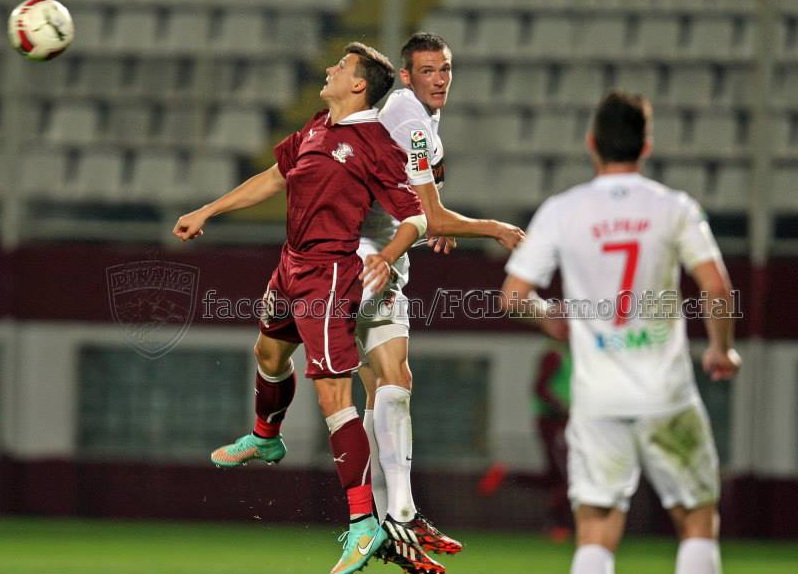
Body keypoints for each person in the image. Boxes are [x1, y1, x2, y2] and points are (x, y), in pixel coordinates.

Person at [173, 42, 428, 574]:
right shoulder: (316, 128)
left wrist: (387, 256)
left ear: (358, 84)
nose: (331, 69)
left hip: (330, 276)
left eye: (342, 66)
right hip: (291, 264)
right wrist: (208, 210)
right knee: (268, 354)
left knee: (333, 395)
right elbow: (273, 177)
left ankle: (363, 524)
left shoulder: (376, 143)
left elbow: (416, 216)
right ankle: (266, 438)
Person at [501, 90, 741, 574]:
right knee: (696, 519)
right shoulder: (673, 207)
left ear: (592, 143)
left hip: (597, 398)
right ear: (646, 146)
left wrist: (548, 318)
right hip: (665, 392)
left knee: (596, 527)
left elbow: (512, 296)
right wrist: (721, 349)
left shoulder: (562, 210)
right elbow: (716, 286)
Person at [356, 32, 525, 573]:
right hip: (367, 260)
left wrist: (436, 219)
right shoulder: (409, 115)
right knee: (392, 381)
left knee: (380, 389)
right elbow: (431, 211)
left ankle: (383, 522)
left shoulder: (421, 119)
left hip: (378, 255)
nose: (440, 79)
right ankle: (397, 514)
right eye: (427, 70)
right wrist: (494, 228)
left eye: (445, 69)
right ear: (406, 76)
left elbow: (425, 193)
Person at [531, 340, 572, 542]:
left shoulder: (580, 354)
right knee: (566, 475)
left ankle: (506, 476)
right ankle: (556, 523)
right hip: (554, 421)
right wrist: (562, 407)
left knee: (555, 475)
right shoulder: (555, 354)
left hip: (571, 422)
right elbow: (540, 388)